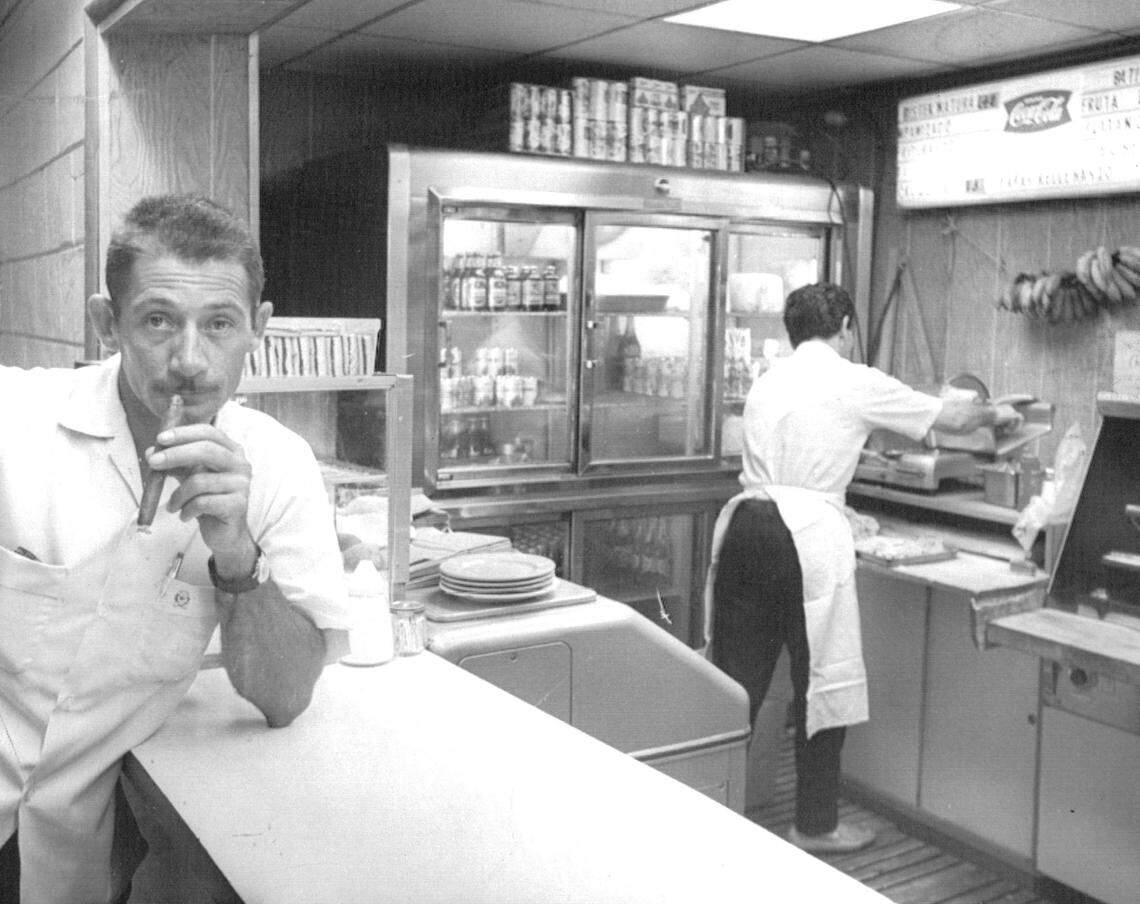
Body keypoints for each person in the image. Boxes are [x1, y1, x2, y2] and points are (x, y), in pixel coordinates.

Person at [0, 195, 355, 903]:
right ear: (108, 324)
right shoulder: (17, 419)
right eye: (158, 320)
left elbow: (284, 697)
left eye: (219, 324)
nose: (190, 361)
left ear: (258, 327)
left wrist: (237, 555)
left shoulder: (279, 466)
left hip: (76, 841)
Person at [705, 282, 1017, 855]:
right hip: (803, 538)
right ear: (847, 326)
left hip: (747, 524)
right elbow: (951, 418)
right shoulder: (854, 380)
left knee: (734, 682)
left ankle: (702, 813)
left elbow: (796, 464)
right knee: (823, 680)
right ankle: (815, 825)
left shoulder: (769, 379)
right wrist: (999, 411)